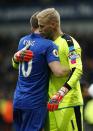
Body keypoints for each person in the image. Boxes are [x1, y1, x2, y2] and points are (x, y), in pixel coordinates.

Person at [12, 12, 70, 131]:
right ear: (42, 25)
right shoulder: (48, 45)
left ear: (31, 26)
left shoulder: (22, 41)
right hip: (34, 102)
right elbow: (58, 72)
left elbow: (16, 63)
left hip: (18, 100)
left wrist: (14, 58)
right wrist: (74, 69)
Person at [37, 8, 83, 131]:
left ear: (53, 24)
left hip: (69, 104)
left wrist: (61, 93)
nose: (39, 30)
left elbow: (77, 70)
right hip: (50, 106)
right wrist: (15, 58)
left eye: (42, 26)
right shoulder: (44, 45)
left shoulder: (68, 43)